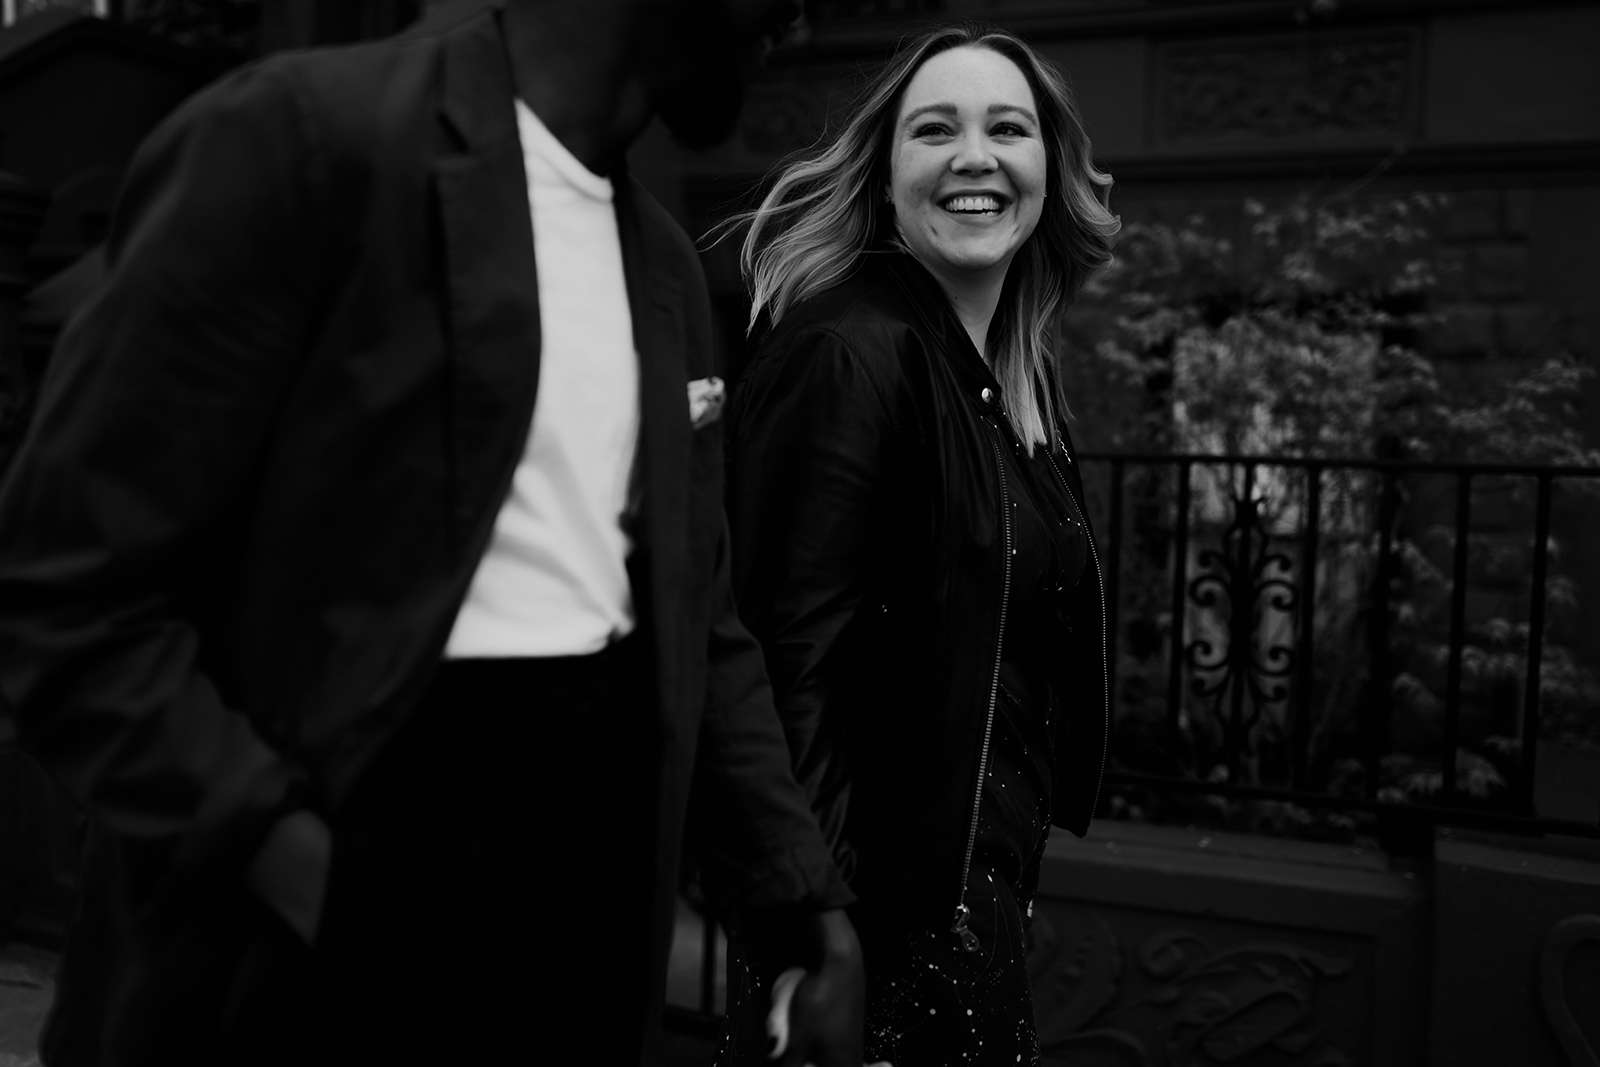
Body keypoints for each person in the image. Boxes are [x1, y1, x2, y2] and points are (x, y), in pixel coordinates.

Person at [0, 1, 872, 1064]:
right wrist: (300, 868)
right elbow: (70, 592)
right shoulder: (304, 139)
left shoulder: (663, 263)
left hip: (578, 951)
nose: (794, 15)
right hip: (297, 968)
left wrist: (797, 899)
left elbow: (704, 619)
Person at [715, 22, 1120, 1067]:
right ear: (884, 177)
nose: (973, 156)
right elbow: (782, 659)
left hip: (973, 895)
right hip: (876, 928)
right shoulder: (852, 351)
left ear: (1046, 168)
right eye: (933, 129)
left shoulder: (1007, 376)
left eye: (1008, 129)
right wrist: (817, 935)